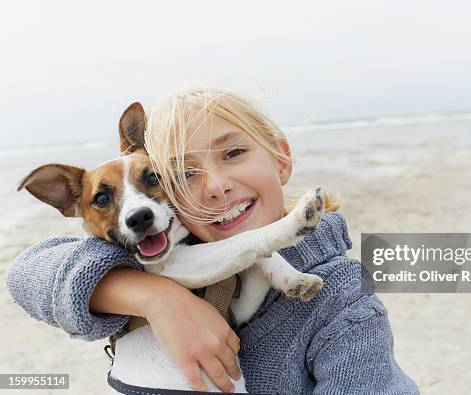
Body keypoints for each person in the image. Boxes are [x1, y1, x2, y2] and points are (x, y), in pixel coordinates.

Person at [6, 87, 419, 394]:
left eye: (234, 153)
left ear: (282, 160)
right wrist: (152, 298)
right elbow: (25, 273)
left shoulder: (345, 304)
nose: (217, 187)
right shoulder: (128, 256)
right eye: (185, 174)